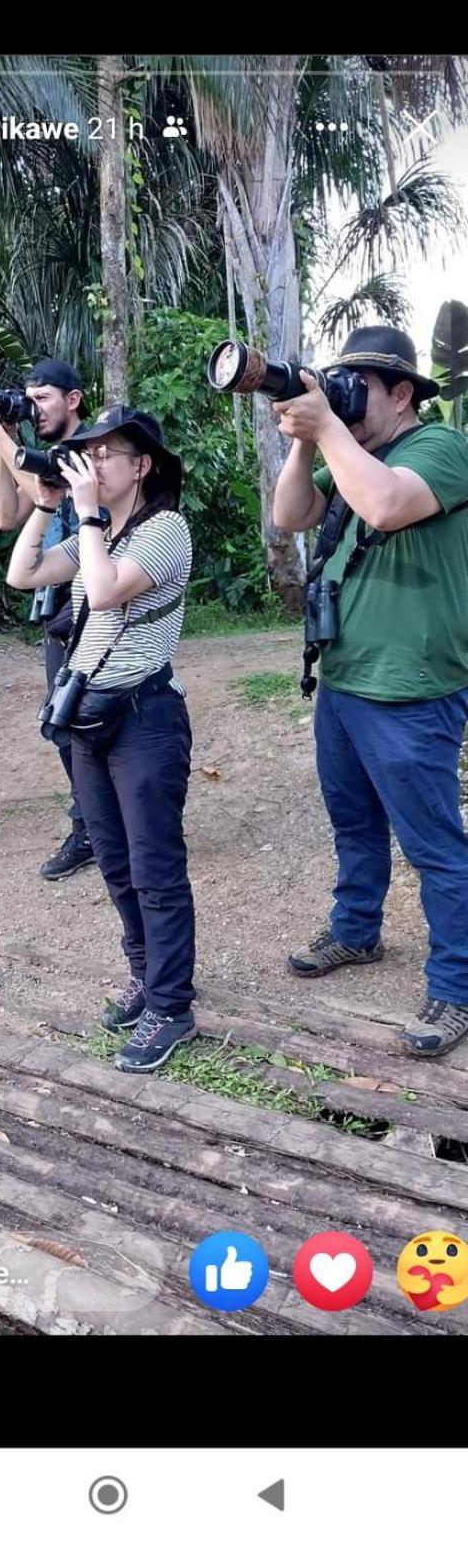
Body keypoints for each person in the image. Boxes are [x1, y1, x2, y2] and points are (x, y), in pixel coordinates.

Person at [273, 325, 468, 1058]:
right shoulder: (349, 452)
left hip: (413, 688)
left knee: (435, 845)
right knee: (353, 824)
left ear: (403, 392)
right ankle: (356, 932)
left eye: (362, 386)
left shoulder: (441, 449)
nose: (349, 396)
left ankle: (456, 984)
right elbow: (289, 516)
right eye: (340, 382)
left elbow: (385, 506)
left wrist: (329, 428)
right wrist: (302, 435)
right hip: (346, 678)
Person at [4, 402, 197, 1075]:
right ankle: (147, 976)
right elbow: (22, 575)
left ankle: (172, 1006)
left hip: (145, 719)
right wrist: (46, 503)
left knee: (154, 868)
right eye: (88, 453)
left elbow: (109, 591)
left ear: (142, 464)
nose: (94, 462)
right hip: (90, 720)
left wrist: (85, 514)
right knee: (114, 861)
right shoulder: (97, 529)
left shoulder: (165, 529)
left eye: (108, 453)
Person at [0, 358, 97, 881]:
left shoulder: (90, 448)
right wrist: (4, 440)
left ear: (73, 400)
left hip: (95, 600)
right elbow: (8, 515)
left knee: (95, 720)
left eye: (43, 399)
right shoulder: (34, 454)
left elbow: (50, 490)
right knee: (63, 723)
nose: (33, 407)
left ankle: (98, 824)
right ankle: (91, 823)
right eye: (28, 397)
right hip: (56, 609)